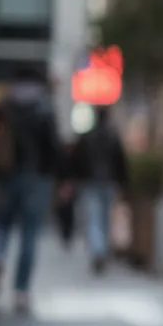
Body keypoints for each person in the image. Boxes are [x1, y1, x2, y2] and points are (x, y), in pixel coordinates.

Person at [0, 69, 62, 312]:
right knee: (29, 234)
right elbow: (53, 146)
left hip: (6, 174)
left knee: (1, 222)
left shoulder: (4, 104)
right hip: (36, 177)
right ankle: (21, 291)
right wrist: (59, 178)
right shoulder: (44, 107)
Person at [68, 108, 128, 274]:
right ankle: (101, 250)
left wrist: (76, 179)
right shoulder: (113, 136)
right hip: (108, 183)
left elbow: (76, 160)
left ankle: (98, 251)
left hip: (90, 183)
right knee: (105, 219)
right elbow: (121, 161)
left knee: (94, 219)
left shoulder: (87, 137)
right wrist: (122, 183)